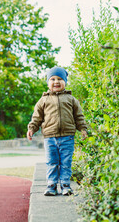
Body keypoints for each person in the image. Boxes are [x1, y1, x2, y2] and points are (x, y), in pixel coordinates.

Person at [27, 66, 88, 196]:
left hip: (67, 137)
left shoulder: (71, 99)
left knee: (66, 162)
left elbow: (79, 116)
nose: (56, 82)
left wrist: (82, 129)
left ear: (65, 82)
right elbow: (37, 117)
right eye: (53, 79)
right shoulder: (43, 100)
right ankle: (51, 185)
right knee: (52, 162)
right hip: (50, 137)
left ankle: (65, 185)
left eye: (60, 79)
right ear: (48, 82)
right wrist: (32, 128)